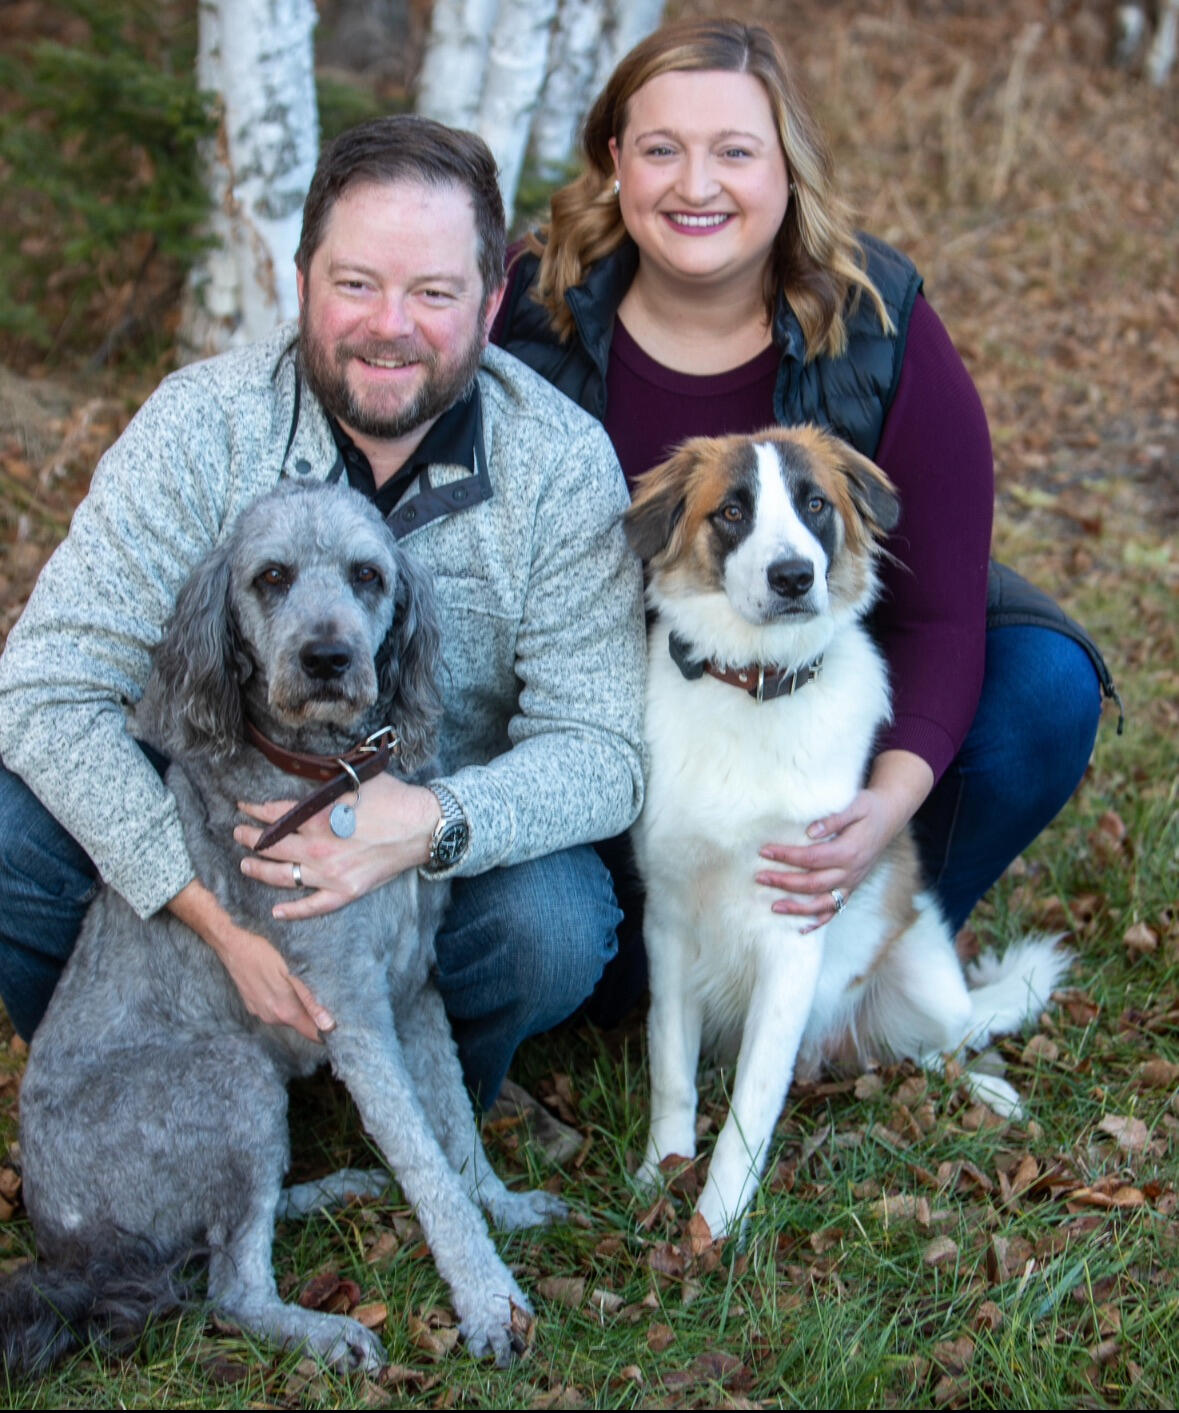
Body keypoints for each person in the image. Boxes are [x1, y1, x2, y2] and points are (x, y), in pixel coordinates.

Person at [0, 115, 646, 1105]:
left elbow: (604, 750)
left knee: (553, 925)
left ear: (491, 300)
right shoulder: (204, 424)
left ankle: (393, 1102)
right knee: (10, 827)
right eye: (356, 284)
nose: (389, 324)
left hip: (415, 880)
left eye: (433, 292)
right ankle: (147, 1094)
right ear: (300, 277)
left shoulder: (557, 464)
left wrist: (428, 821)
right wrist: (205, 911)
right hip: (205, 852)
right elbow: (44, 693)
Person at [493, 17, 1116, 985]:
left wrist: (881, 812)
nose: (697, 186)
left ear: (787, 166)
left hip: (806, 694)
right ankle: (636, 972)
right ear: (616, 162)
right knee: (566, 938)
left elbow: (943, 613)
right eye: (663, 150)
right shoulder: (534, 309)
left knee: (1042, 690)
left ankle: (850, 958)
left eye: (735, 152)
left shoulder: (875, 320)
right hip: (601, 719)